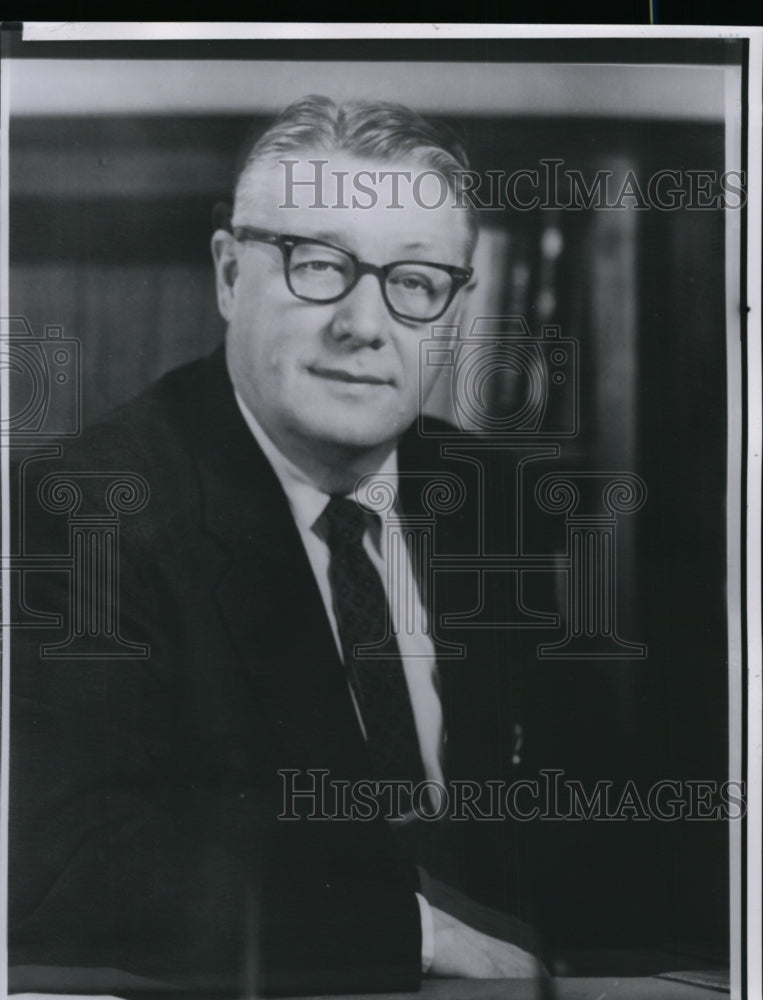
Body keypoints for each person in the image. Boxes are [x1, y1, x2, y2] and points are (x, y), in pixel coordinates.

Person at [10, 96, 546, 997]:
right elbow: (60, 859)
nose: (364, 325)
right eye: (318, 265)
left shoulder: (504, 503)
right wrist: (405, 930)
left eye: (414, 279)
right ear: (228, 275)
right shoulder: (93, 506)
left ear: (454, 303)